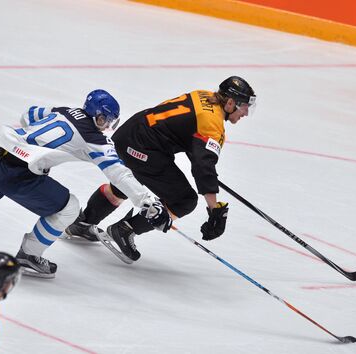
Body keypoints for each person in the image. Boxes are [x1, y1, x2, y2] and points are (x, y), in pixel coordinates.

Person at [0, 90, 171, 276]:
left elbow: (29, 114)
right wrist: (146, 202)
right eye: (106, 120)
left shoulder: (63, 110)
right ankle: (29, 254)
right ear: (99, 116)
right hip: (17, 174)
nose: (106, 126)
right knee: (69, 208)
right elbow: (119, 173)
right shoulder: (95, 139)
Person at [66, 76, 256, 261]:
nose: (246, 113)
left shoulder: (204, 95)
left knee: (128, 181)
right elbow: (203, 166)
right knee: (184, 200)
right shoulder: (213, 124)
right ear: (230, 103)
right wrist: (214, 209)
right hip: (143, 147)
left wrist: (202, 163)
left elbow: (188, 137)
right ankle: (125, 230)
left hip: (130, 133)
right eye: (244, 107)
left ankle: (83, 223)